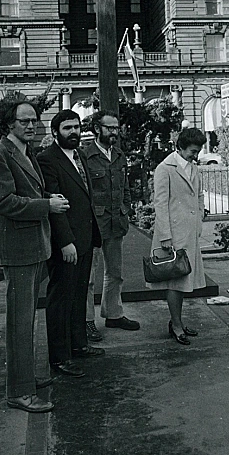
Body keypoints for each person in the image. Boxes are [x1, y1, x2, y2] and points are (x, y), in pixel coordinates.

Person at [0, 100, 70, 414]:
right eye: (24, 121)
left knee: (28, 320)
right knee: (20, 324)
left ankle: (27, 379)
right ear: (10, 124)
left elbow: (30, 193)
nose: (31, 126)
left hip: (35, 246)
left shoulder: (25, 151)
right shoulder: (0, 155)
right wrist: (46, 207)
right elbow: (3, 202)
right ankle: (19, 392)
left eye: (34, 120)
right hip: (19, 250)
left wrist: (48, 198)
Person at [38, 110, 104, 379]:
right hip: (67, 244)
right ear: (55, 132)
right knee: (61, 299)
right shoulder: (48, 160)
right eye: (67, 128)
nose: (74, 132)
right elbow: (56, 207)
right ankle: (59, 357)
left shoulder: (78, 156)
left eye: (76, 127)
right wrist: (65, 241)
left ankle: (78, 345)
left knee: (79, 296)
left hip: (85, 239)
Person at [82, 111, 140, 341]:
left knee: (115, 272)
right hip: (94, 224)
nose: (114, 132)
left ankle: (113, 314)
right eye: (109, 128)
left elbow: (125, 187)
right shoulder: (86, 156)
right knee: (88, 276)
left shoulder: (119, 155)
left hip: (116, 222)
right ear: (97, 129)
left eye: (116, 128)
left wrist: (126, 208)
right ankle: (87, 320)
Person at [147, 126, 207, 345]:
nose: (195, 155)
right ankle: (176, 325)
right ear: (180, 147)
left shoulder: (193, 168)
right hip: (172, 233)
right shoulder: (166, 168)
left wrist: (199, 218)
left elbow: (199, 195)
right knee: (175, 281)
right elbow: (160, 203)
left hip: (189, 231)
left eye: (198, 151)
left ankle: (177, 322)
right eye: (192, 151)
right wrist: (164, 234)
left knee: (184, 280)